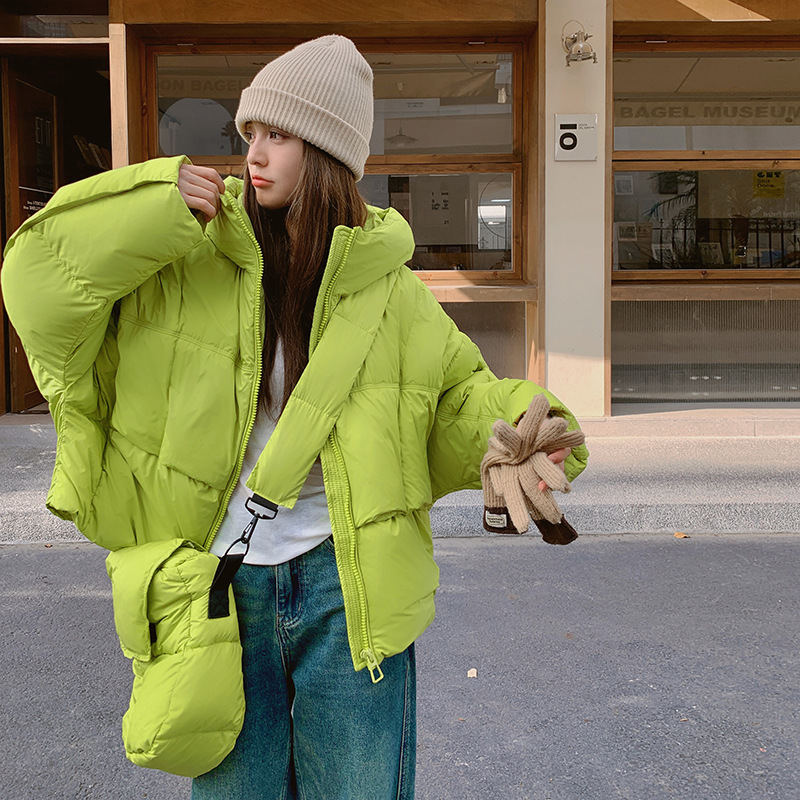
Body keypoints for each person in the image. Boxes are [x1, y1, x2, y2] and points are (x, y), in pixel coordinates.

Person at [1, 35, 588, 800]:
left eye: (277, 133)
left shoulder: (390, 290)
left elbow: (454, 395)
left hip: (349, 588)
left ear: (327, 151)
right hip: (218, 584)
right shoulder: (182, 258)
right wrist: (145, 206)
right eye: (249, 134)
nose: (255, 152)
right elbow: (38, 286)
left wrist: (516, 427)